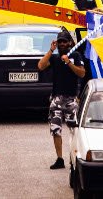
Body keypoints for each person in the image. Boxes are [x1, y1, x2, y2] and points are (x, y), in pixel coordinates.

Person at [37, 28, 85, 170]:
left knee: (74, 130)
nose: (62, 44)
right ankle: (59, 159)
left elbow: (82, 73)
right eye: (60, 42)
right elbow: (40, 66)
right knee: (55, 130)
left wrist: (69, 63)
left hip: (71, 99)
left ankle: (74, 157)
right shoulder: (54, 58)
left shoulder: (76, 55)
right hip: (56, 99)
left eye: (64, 41)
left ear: (70, 42)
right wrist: (51, 50)